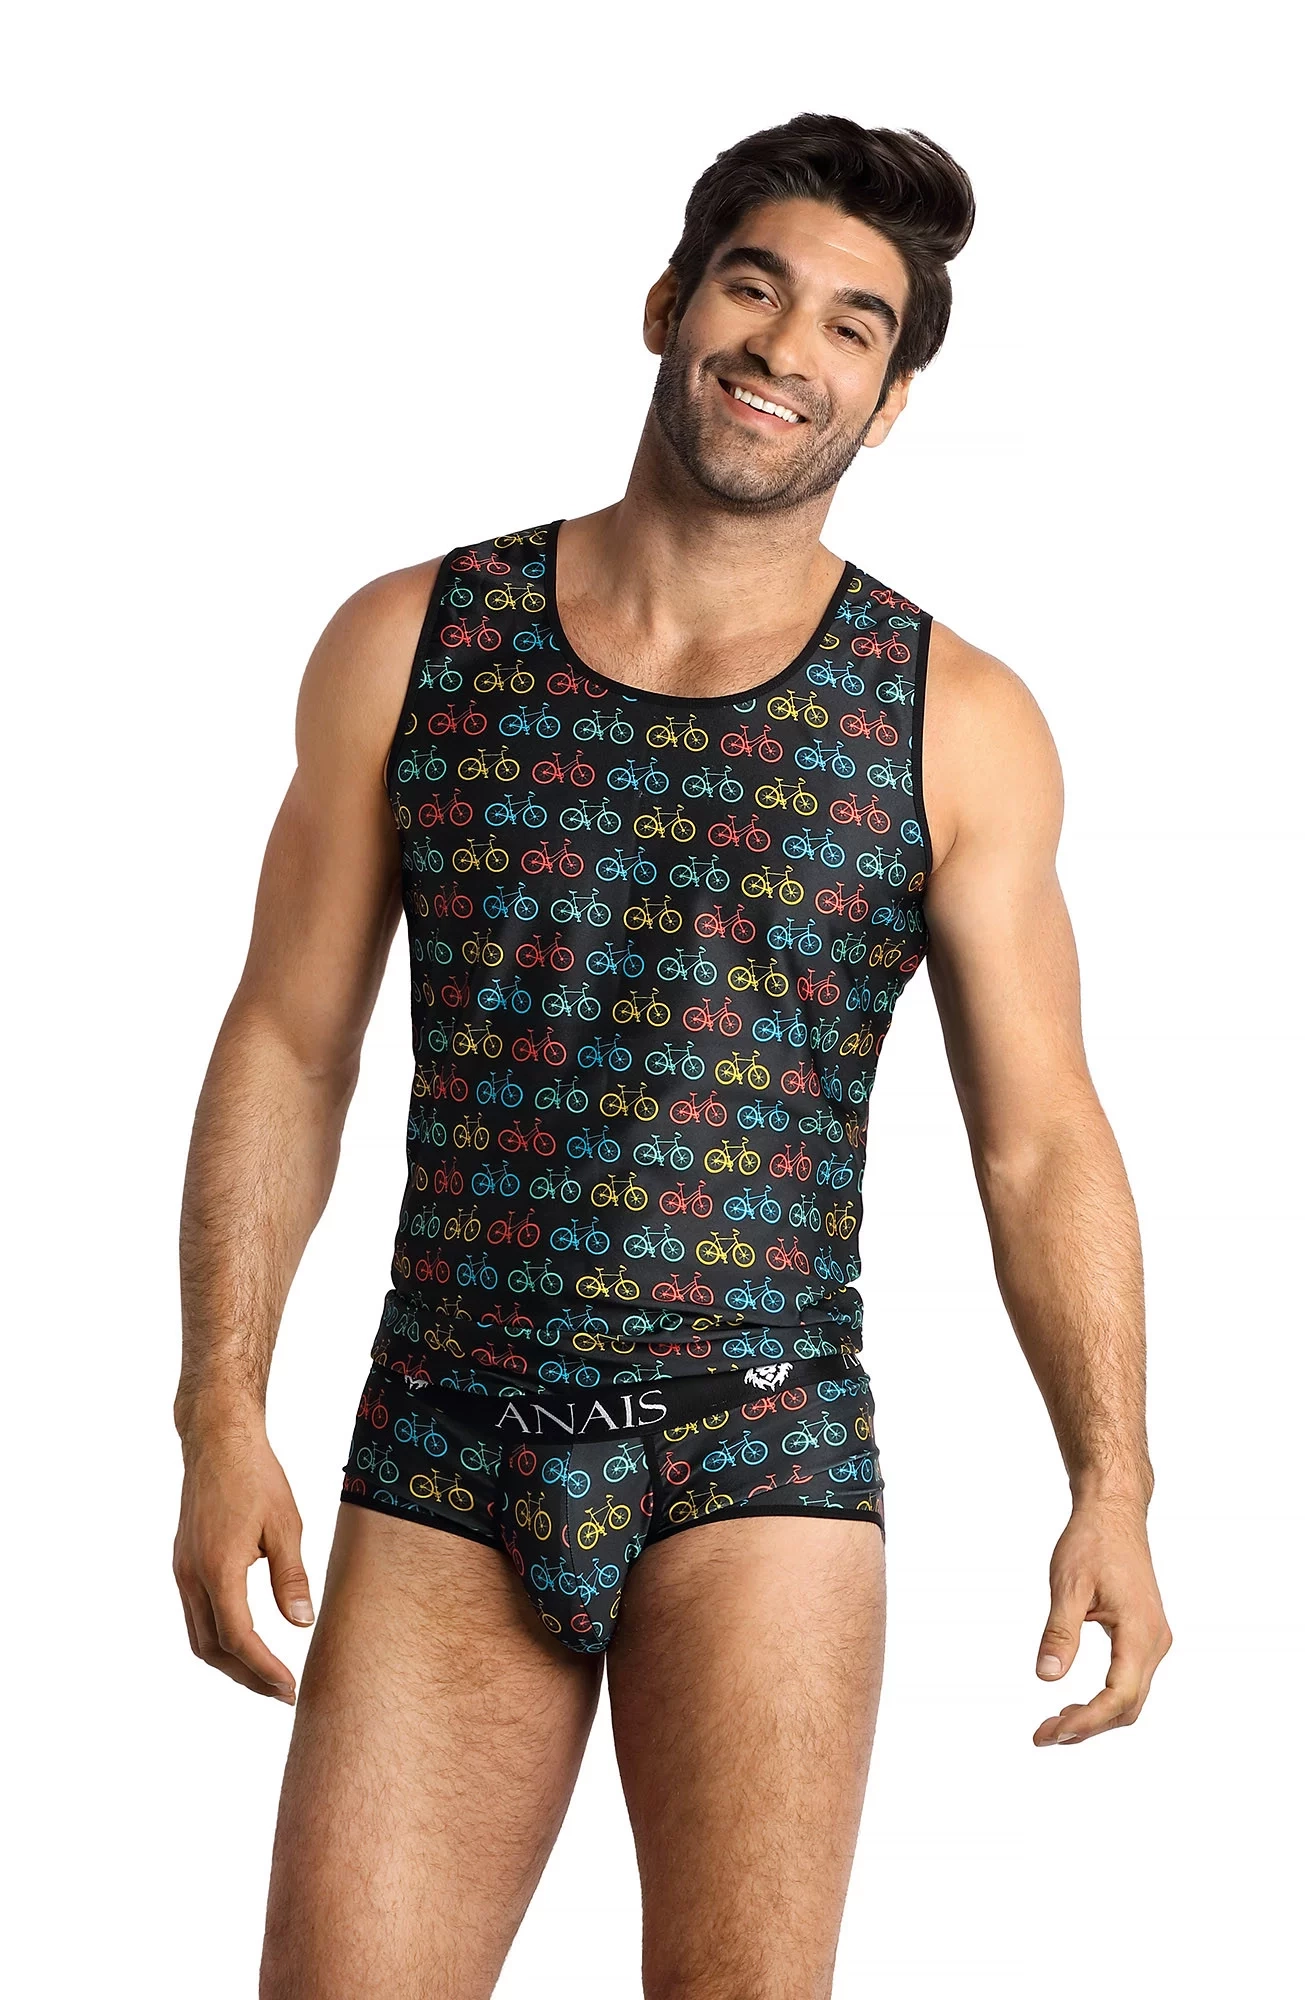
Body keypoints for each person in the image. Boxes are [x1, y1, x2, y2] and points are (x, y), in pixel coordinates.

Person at [173, 112, 1172, 1999]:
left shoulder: (954, 720)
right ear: (669, 303)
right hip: (446, 1434)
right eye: (755, 286)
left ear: (889, 401)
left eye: (855, 328)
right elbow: (290, 1045)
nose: (789, 347)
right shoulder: (414, 642)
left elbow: (1040, 1137)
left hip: (763, 1448)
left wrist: (1112, 1479)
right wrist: (219, 1409)